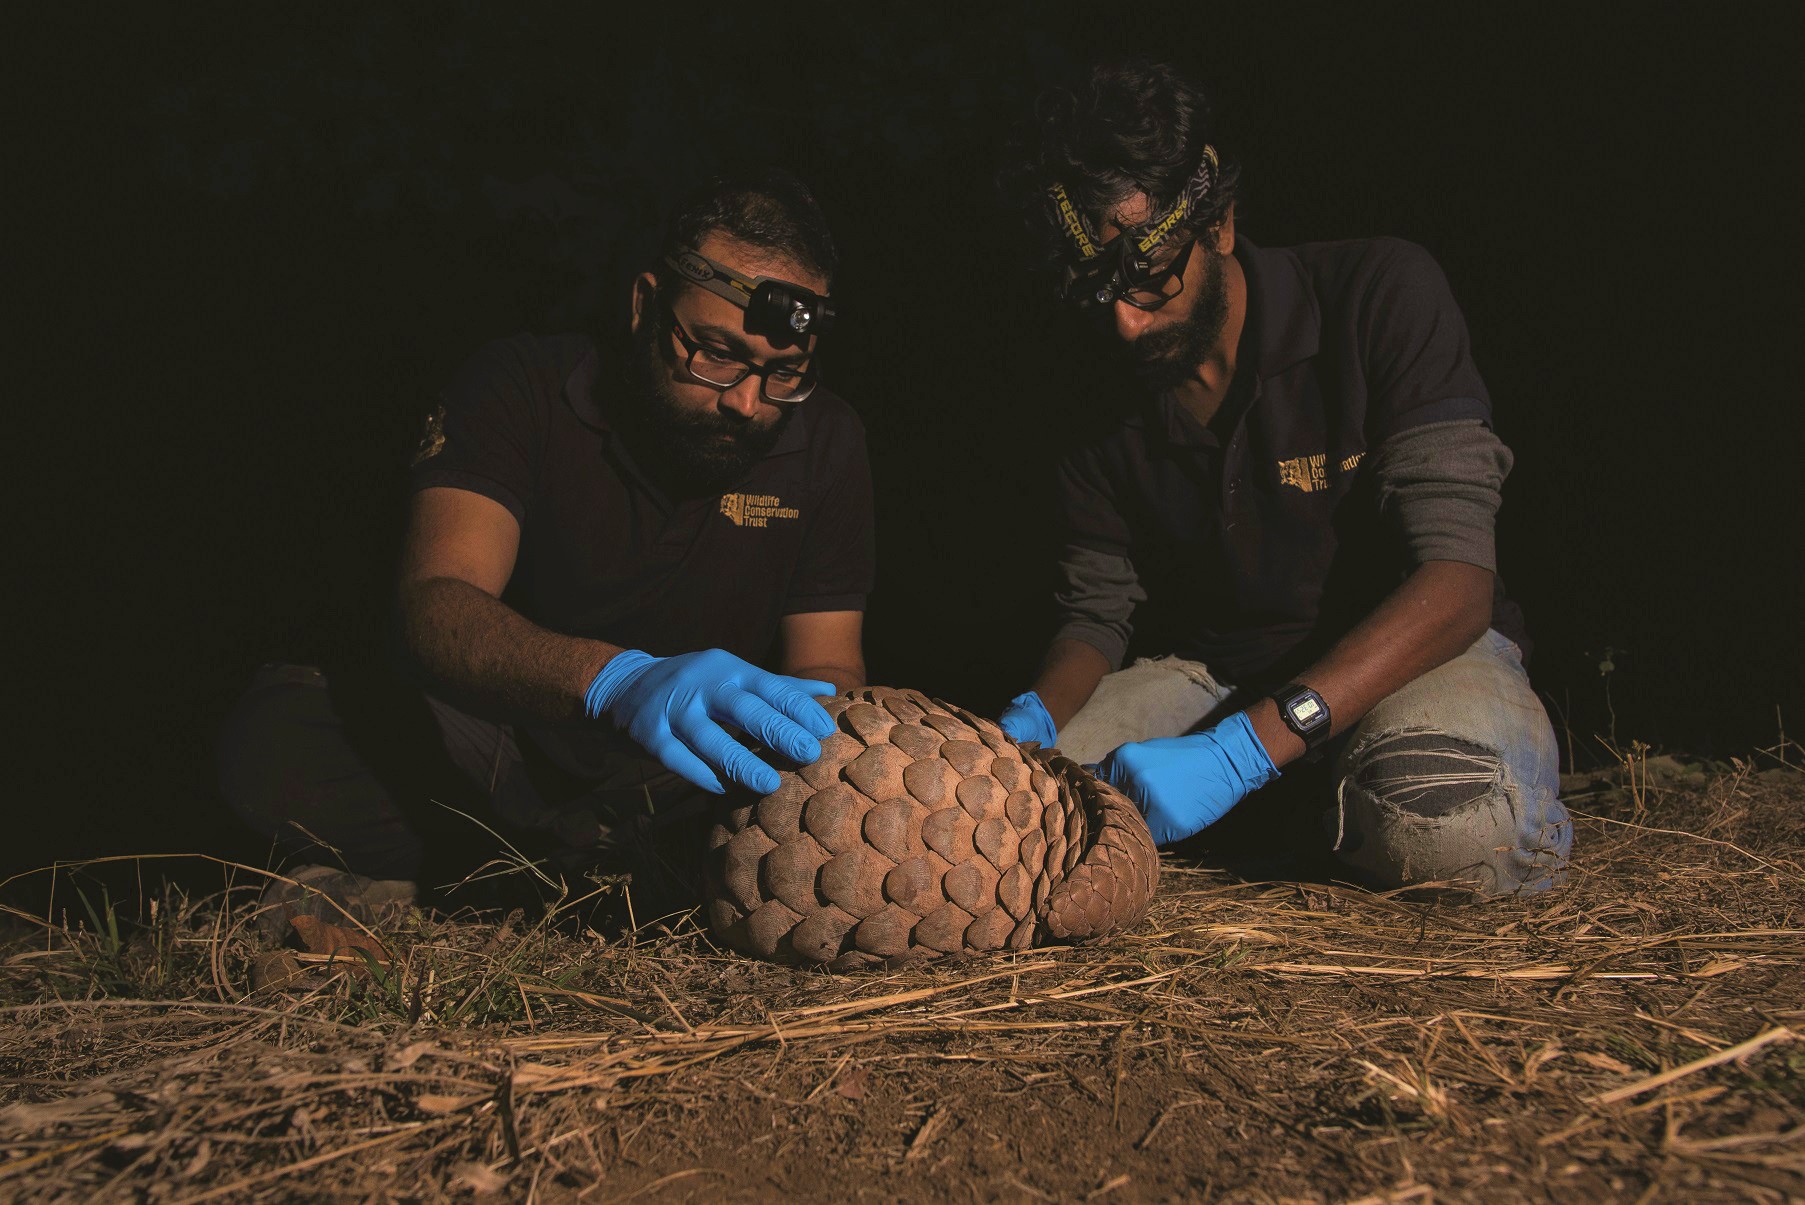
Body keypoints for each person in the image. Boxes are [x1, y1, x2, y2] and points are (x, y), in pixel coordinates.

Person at [218, 169, 874, 927]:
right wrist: (617, 683)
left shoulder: (827, 439)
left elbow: (828, 665)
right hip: (510, 746)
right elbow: (437, 601)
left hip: (686, 773)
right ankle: (543, 870)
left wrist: (809, 757)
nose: (746, 401)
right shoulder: (521, 384)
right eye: (716, 353)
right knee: (277, 738)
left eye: (783, 373)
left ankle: (523, 875)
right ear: (643, 303)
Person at [995, 61, 1570, 896]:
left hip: (1417, 654)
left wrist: (1248, 749)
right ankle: (1301, 815)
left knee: (1445, 826)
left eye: (1150, 274)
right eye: (1096, 293)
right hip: (1220, 676)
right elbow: (1096, 609)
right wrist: (1032, 724)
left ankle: (1462, 803)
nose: (1124, 322)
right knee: (1014, 815)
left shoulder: (1378, 290)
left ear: (1219, 224)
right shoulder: (1093, 393)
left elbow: (1456, 585)